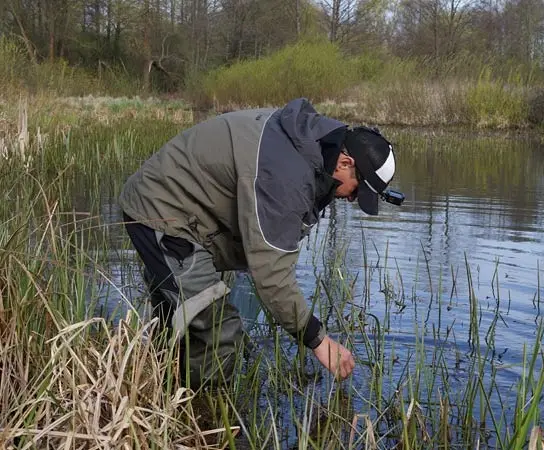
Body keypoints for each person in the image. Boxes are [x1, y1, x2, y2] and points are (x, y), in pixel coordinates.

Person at [118, 97, 399, 391]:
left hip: (189, 216)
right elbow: (272, 276)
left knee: (183, 322)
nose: (352, 200)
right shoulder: (286, 173)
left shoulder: (309, 143)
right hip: (162, 213)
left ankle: (162, 395)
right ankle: (207, 422)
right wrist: (318, 340)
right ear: (344, 162)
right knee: (219, 332)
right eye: (357, 191)